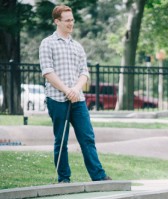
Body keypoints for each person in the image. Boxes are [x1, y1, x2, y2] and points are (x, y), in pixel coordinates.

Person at [39, 5, 111, 183]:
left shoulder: (77, 46)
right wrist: (66, 90)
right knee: (61, 141)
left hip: (77, 100)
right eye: (67, 20)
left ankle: (99, 176)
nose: (71, 23)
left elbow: (84, 72)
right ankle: (64, 178)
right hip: (57, 99)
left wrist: (76, 90)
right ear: (57, 21)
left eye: (72, 20)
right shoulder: (47, 43)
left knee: (87, 137)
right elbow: (48, 72)